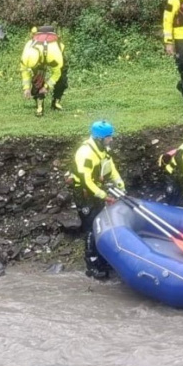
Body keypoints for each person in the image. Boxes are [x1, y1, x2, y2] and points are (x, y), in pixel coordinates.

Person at [70, 120, 125, 280]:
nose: (111, 140)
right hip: (85, 192)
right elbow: (86, 181)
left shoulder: (102, 149)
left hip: (96, 189)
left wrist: (119, 182)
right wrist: (103, 195)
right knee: (90, 227)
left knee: (101, 223)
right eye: (109, 137)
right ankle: (91, 264)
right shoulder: (86, 154)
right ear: (100, 138)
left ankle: (101, 259)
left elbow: (110, 167)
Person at [20, 26, 68, 117]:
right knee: (38, 78)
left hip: (54, 53)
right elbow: (24, 71)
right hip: (41, 55)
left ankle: (56, 101)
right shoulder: (26, 54)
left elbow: (56, 73)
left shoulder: (54, 56)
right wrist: (26, 87)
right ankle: (39, 104)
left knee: (62, 79)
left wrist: (47, 87)